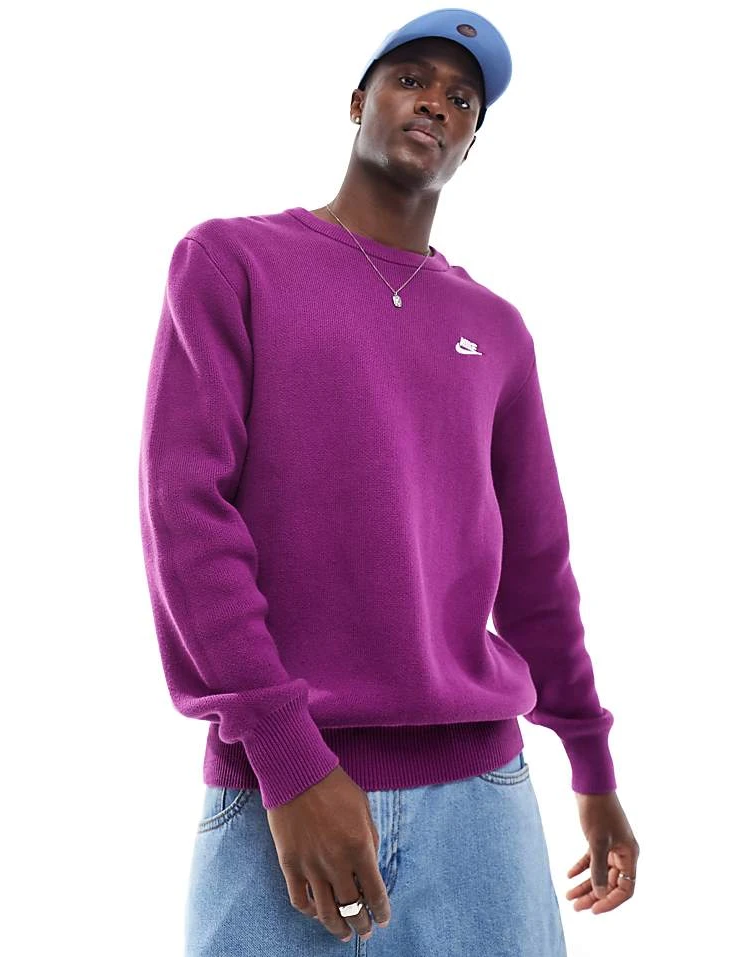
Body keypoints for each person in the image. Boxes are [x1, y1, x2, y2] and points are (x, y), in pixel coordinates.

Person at [137, 8, 639, 955]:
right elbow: (187, 519)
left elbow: (537, 566)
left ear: (471, 142)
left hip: (482, 807)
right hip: (281, 794)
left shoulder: (497, 328)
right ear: (357, 101)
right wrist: (287, 757)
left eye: (462, 98)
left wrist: (592, 761)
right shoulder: (233, 261)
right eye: (412, 79)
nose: (436, 103)